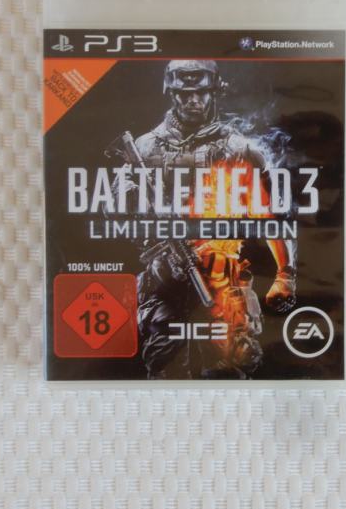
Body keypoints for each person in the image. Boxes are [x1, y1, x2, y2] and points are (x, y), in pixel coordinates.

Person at [118, 60, 296, 378]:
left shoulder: (238, 149)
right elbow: (116, 211)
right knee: (164, 366)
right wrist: (136, 202)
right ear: (171, 93)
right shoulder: (144, 149)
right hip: (165, 278)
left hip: (222, 279)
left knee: (233, 366)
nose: (193, 101)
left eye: (200, 93)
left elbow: (270, 216)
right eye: (184, 94)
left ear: (214, 92)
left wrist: (285, 273)